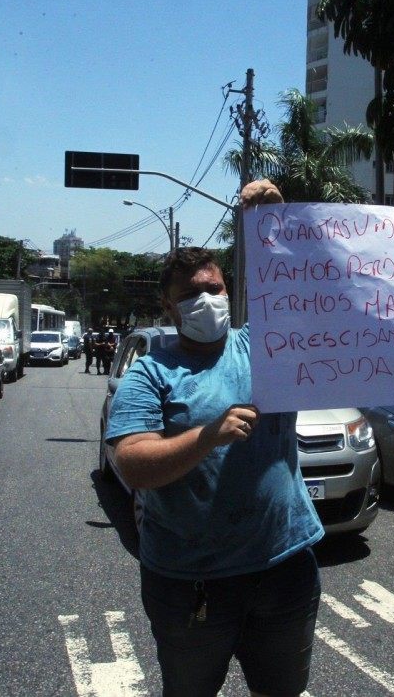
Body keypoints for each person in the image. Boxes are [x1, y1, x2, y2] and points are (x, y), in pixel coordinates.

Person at [103, 180, 324, 697]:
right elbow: (132, 463)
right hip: (190, 585)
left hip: (285, 568)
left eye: (214, 289)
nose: (205, 300)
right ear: (169, 305)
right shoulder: (150, 373)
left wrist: (278, 218)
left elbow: (303, 292)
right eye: (189, 294)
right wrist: (208, 436)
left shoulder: (265, 345)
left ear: (228, 289)